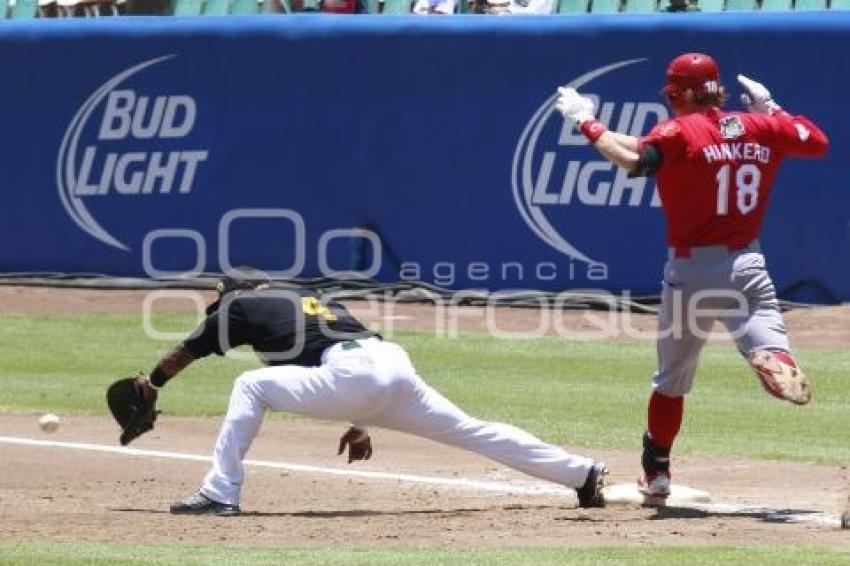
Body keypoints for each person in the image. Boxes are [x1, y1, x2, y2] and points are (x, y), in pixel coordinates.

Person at [554, 53, 828, 500]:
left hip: (693, 273)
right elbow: (816, 141)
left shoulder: (677, 132)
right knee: (770, 343)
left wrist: (587, 123)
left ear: (676, 93)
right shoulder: (757, 127)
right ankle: (774, 360)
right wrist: (771, 106)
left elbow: (634, 160)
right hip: (748, 265)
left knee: (671, 380)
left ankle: (657, 471)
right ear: (717, 89)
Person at [124, 268, 606, 515]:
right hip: (389, 363)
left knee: (250, 384)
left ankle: (219, 493)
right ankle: (581, 474)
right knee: (472, 431)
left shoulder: (238, 305)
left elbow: (186, 351)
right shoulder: (306, 297)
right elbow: (340, 363)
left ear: (230, 293)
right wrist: (362, 420)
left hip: (355, 375)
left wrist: (152, 383)